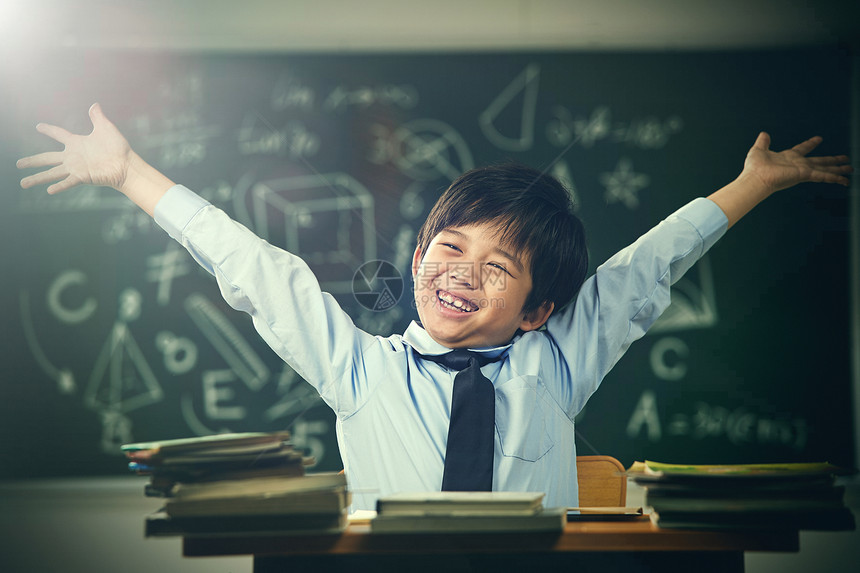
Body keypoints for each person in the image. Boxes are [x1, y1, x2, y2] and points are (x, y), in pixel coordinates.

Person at [17, 103, 852, 510]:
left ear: (537, 308)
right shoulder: (361, 370)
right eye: (449, 249)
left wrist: (752, 183)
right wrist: (130, 175)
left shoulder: (556, 361)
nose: (461, 274)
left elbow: (646, 270)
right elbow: (256, 268)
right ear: (418, 258)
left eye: (499, 268)